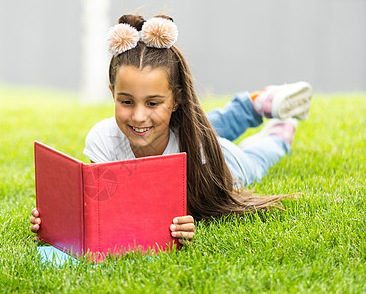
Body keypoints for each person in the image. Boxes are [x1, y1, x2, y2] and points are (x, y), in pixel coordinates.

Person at [30, 14, 312, 245]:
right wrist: (57, 219)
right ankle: (259, 106)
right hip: (180, 134)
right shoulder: (102, 139)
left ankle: (279, 126)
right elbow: (99, 205)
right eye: (126, 101)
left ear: (177, 99)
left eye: (152, 102)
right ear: (112, 93)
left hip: (222, 162)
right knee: (198, 125)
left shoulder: (196, 148)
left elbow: (190, 204)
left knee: (251, 156)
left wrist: (188, 220)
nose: (138, 116)